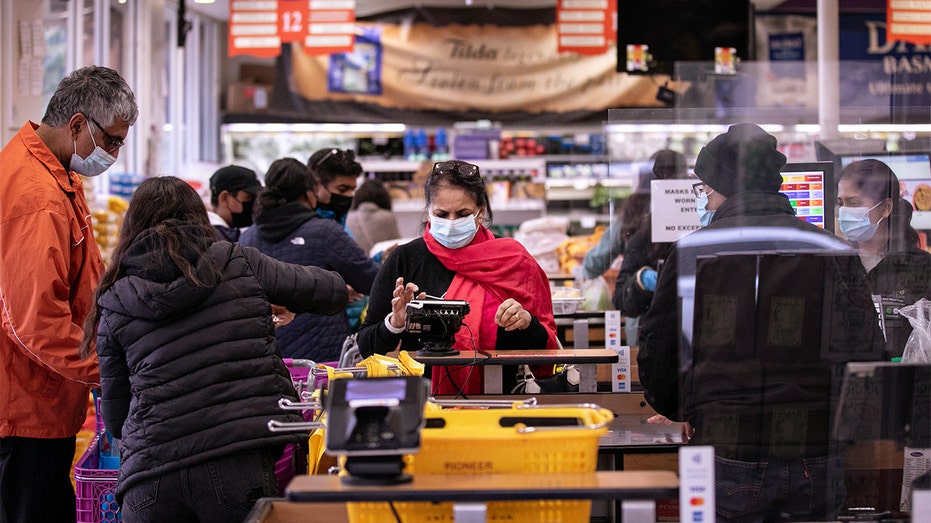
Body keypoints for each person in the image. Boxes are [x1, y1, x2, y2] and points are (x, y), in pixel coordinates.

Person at [638, 123, 884, 522]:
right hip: (817, 450)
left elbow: (660, 349)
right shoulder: (831, 249)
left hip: (728, 449)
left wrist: (688, 408)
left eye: (706, 188)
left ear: (725, 186)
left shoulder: (692, 252)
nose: (704, 198)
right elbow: (866, 353)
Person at [79, 176, 348, 522]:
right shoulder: (235, 261)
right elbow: (328, 291)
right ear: (198, 217)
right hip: (235, 463)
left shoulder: (116, 298)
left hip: (150, 480)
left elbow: (116, 418)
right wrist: (265, 298)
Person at [0, 65, 137, 523]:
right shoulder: (36, 196)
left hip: (46, 396)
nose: (115, 153)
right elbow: (33, 322)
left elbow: (84, 282)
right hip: (24, 408)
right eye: (112, 141)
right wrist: (109, 369)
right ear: (77, 124)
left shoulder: (56, 172)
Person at [355, 160, 559, 396]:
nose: (451, 223)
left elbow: (547, 353)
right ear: (429, 210)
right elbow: (367, 346)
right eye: (441, 214)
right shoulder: (405, 260)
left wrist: (525, 323)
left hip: (499, 404)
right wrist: (395, 323)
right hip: (421, 407)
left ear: (480, 211)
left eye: (462, 214)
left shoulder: (513, 261)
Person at [240, 158, 380, 362]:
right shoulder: (324, 232)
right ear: (309, 193)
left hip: (268, 353)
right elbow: (371, 279)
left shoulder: (246, 238)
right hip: (323, 355)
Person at [836, 158, 931, 358]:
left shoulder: (921, 267)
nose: (844, 212)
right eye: (840, 203)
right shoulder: (838, 262)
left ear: (886, 207)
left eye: (854, 203)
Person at [612, 149, 689, 341]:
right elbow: (621, 298)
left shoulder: (704, 227)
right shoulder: (644, 234)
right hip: (657, 335)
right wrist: (642, 280)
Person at [308, 148, 363, 227]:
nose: (349, 195)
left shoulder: (343, 223)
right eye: (342, 189)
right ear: (316, 186)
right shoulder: (301, 226)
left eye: (353, 190)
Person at [346, 178, 402, 256]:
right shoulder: (387, 217)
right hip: (380, 264)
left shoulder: (348, 217)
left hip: (356, 264)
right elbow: (395, 246)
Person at [207, 164, 262, 241]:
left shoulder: (225, 235)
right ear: (224, 198)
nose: (254, 204)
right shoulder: (213, 239)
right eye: (248, 198)